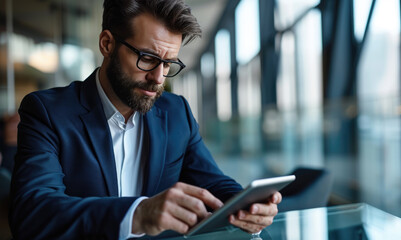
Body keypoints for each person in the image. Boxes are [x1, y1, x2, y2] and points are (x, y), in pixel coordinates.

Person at [9, 0, 282, 239]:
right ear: (107, 44)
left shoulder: (177, 113)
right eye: (148, 58)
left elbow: (213, 182)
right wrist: (138, 214)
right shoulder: (47, 111)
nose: (158, 78)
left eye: (168, 64)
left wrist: (249, 206)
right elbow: (33, 212)